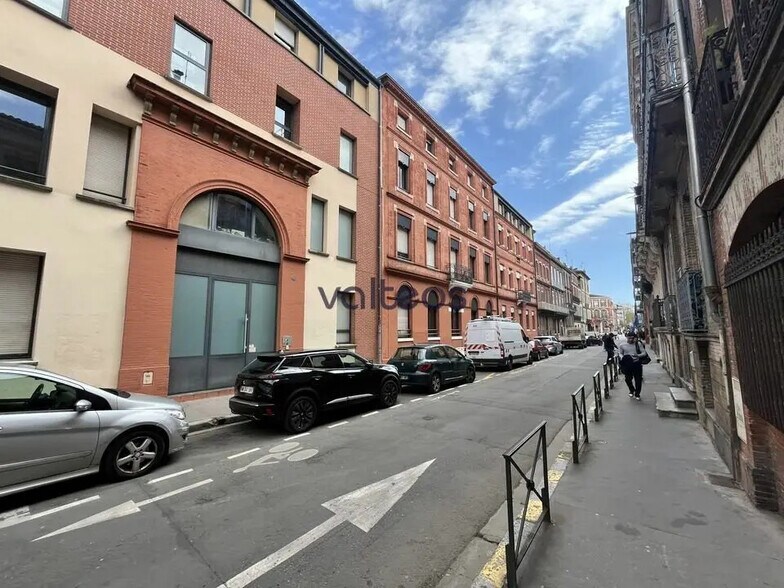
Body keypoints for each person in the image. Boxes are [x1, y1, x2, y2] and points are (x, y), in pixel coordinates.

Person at [618, 331, 645, 400]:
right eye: (629, 338)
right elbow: (620, 353)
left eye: (632, 338)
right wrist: (622, 357)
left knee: (638, 379)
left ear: (635, 338)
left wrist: (637, 355)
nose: (631, 340)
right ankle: (632, 389)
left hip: (637, 363)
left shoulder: (638, 344)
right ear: (627, 337)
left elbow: (644, 353)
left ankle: (637, 394)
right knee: (627, 379)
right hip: (627, 364)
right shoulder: (622, 345)